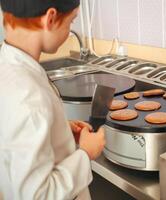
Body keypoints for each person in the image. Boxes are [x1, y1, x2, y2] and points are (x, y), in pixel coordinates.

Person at [0, 0, 106, 199]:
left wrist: (57, 128)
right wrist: (85, 154)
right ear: (50, 18)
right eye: (71, 21)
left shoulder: (6, 63)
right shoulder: (28, 99)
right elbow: (39, 195)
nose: (69, 31)